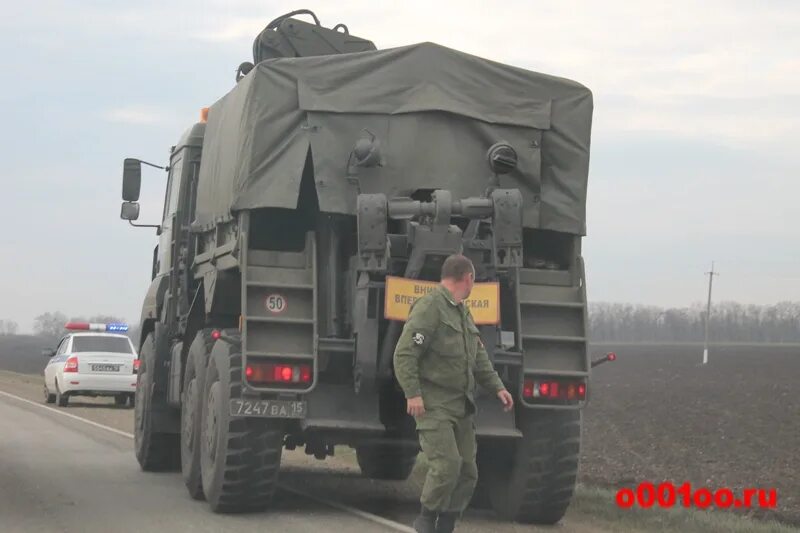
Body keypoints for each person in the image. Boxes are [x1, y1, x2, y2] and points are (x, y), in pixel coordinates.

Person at [393, 254, 514, 533]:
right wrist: (413, 393)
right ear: (468, 278)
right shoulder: (430, 308)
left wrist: (498, 387)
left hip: (461, 405)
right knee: (447, 465)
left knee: (468, 471)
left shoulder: (462, 311)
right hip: (434, 403)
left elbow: (478, 356)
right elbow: (405, 353)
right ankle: (426, 519)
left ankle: (446, 524)